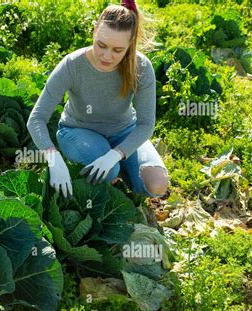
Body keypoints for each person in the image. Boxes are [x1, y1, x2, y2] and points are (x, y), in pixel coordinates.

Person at [26, 0, 170, 199]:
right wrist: (53, 157)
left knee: (157, 184)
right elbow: (36, 119)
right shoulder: (72, 65)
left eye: (118, 50)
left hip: (123, 131)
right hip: (78, 131)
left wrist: (115, 154)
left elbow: (145, 124)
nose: (107, 56)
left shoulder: (141, 67)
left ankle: (119, 168)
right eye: (101, 45)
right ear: (94, 31)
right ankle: (113, 171)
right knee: (108, 171)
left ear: (130, 44)